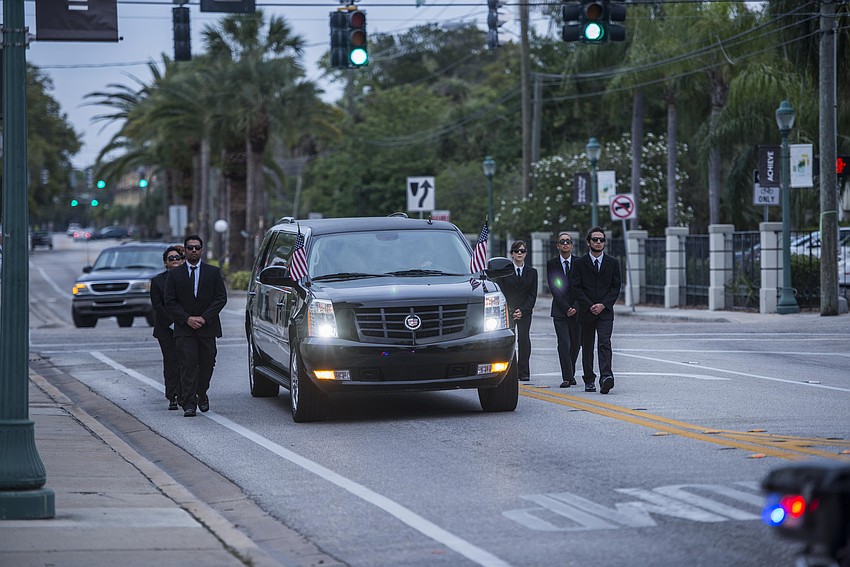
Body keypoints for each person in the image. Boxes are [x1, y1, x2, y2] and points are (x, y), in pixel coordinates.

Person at [164, 235, 227, 417]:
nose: (193, 250)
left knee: (207, 363)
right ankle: (189, 403)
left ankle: (201, 392)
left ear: (201, 250)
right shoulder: (175, 274)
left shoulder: (213, 272)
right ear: (185, 250)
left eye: (197, 247)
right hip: (185, 328)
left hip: (207, 327)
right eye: (190, 247)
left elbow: (221, 298)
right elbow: (170, 301)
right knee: (188, 364)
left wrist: (205, 318)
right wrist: (187, 319)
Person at [573, 227, 621, 394]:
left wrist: (603, 305)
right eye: (595, 239)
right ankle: (589, 379)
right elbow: (576, 287)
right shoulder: (579, 263)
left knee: (604, 342)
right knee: (587, 346)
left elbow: (615, 287)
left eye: (601, 240)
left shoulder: (612, 263)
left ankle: (606, 377)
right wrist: (590, 305)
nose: (599, 242)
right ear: (588, 242)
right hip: (586, 312)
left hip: (605, 312)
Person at [150, 245, 185, 410]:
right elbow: (157, 305)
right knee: (171, 361)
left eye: (178, 257)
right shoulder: (157, 281)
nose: (175, 260)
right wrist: (172, 323)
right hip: (166, 328)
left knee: (187, 361)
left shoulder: (188, 277)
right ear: (165, 262)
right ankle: (172, 395)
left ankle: (186, 393)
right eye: (171, 258)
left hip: (185, 326)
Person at [498, 240, 538, 381]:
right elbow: (501, 292)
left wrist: (523, 310)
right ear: (512, 254)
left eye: (522, 251)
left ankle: (524, 372)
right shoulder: (505, 272)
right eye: (516, 251)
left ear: (526, 253)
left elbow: (532, 295)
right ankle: (508, 372)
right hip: (509, 311)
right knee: (508, 341)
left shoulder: (532, 272)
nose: (519, 253)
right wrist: (511, 310)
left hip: (525, 312)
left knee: (524, 340)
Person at [547, 232, 580, 388]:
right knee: (564, 343)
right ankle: (567, 377)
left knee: (576, 344)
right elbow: (554, 287)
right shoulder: (552, 264)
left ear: (572, 245)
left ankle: (570, 371)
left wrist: (575, 307)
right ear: (557, 245)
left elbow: (582, 287)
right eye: (562, 241)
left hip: (577, 310)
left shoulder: (579, 263)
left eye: (568, 241)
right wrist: (566, 307)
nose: (565, 244)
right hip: (560, 310)